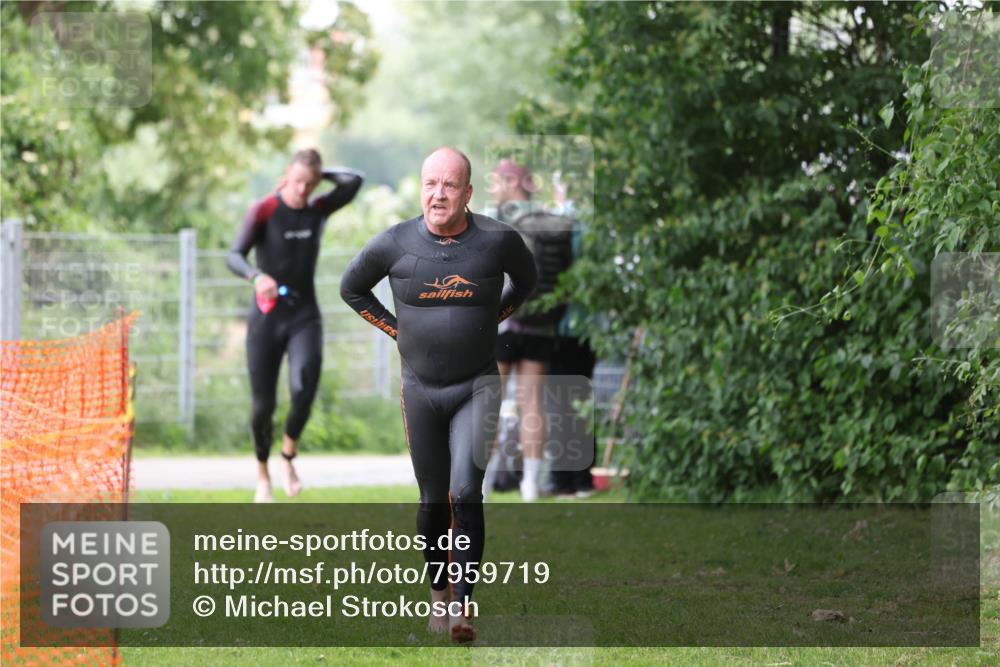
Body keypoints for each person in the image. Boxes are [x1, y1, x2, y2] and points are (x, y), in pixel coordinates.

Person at [339, 147, 536, 642]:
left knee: (466, 492)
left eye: (449, 185)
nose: (438, 194)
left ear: (468, 193)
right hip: (420, 389)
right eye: (430, 184)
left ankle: (464, 607)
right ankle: (439, 594)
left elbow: (528, 280)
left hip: (477, 385)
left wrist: (496, 317)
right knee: (432, 501)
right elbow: (352, 289)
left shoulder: (497, 241)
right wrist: (394, 330)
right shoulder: (394, 244)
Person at [226, 149, 363, 503]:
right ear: (286, 174)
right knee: (263, 407)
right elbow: (234, 255)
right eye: (297, 180)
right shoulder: (265, 209)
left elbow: (354, 181)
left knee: (304, 385)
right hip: (267, 317)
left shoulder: (318, 210)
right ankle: (262, 475)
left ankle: (288, 457)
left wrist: (320, 171)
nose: (302, 190)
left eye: (309, 183)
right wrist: (256, 277)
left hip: (305, 315)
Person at [485, 159, 574, 501]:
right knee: (532, 403)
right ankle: (530, 486)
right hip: (542, 323)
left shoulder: (502, 218)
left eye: (497, 181)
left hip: (506, 323)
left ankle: (484, 483)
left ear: (511, 181)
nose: (494, 188)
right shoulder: (548, 220)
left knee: (490, 402)